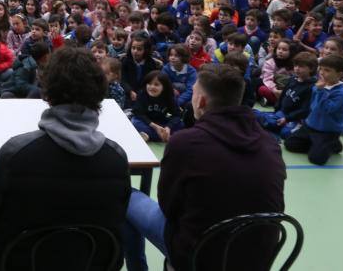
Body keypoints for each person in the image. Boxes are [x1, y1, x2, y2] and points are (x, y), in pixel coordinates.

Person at [0, 46, 131, 271]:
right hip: (91, 261)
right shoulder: (117, 157)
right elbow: (117, 217)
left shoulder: (16, 152)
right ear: (99, 93)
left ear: (47, 92)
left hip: (21, 262)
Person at [122, 64, 285, 271]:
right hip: (257, 259)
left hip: (199, 256)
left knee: (126, 196)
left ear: (200, 101)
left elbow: (169, 207)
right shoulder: (269, 143)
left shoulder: (185, 143)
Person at [284, 54, 343, 165]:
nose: (322, 73)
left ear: (339, 74)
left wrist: (321, 91)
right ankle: (318, 145)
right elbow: (313, 106)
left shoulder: (341, 93)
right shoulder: (318, 86)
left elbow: (326, 109)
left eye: (327, 70)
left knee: (316, 159)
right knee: (289, 144)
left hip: (327, 131)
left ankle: (333, 144)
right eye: (321, 69)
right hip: (310, 125)